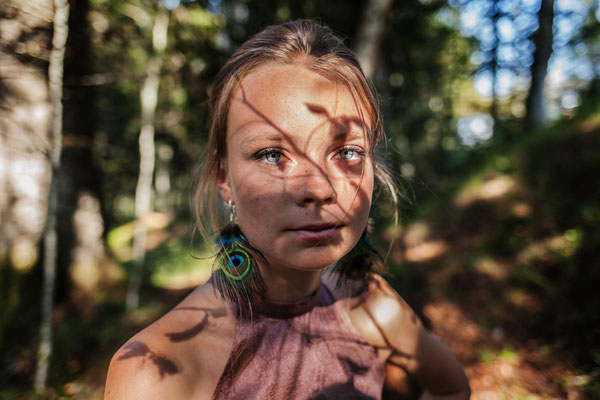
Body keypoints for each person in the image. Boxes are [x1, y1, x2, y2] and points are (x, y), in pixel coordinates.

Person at [104, 19, 470, 399]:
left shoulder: (369, 302)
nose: (318, 188)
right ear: (224, 177)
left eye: (347, 152)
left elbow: (452, 389)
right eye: (272, 154)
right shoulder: (157, 369)